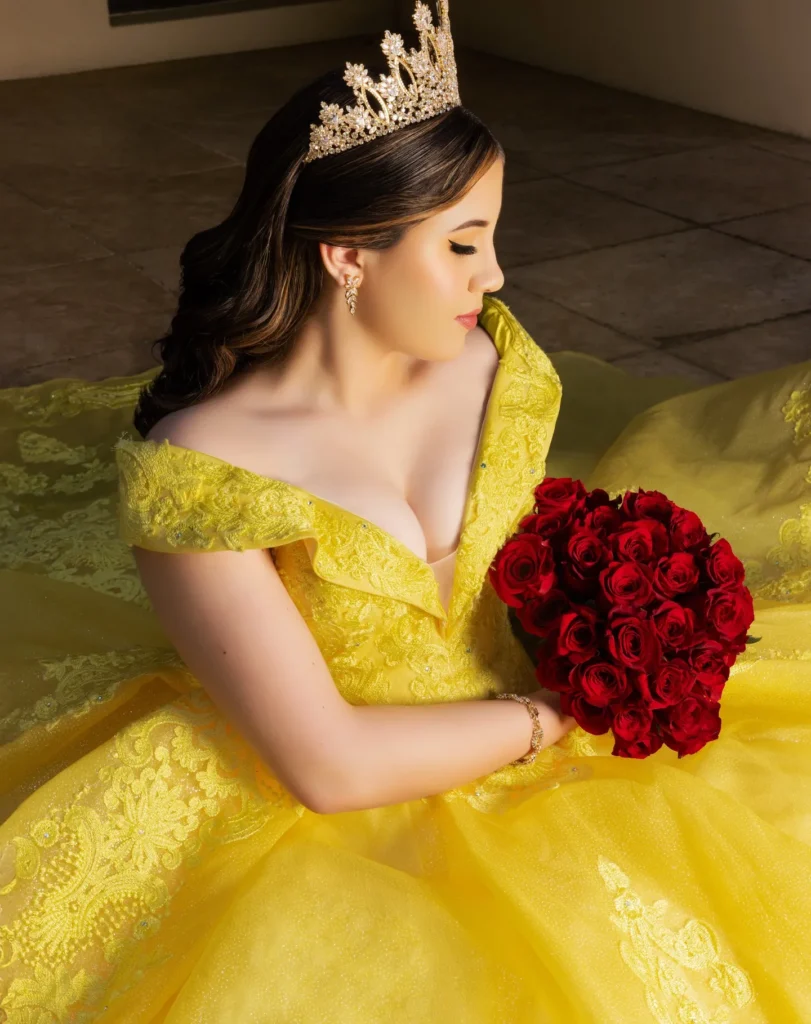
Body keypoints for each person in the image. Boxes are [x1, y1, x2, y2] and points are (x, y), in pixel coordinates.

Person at [1, 2, 810, 1020]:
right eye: (463, 244)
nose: (496, 276)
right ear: (348, 256)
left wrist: (614, 619)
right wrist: (560, 712)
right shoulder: (204, 471)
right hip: (338, 811)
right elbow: (327, 766)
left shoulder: (487, 362)